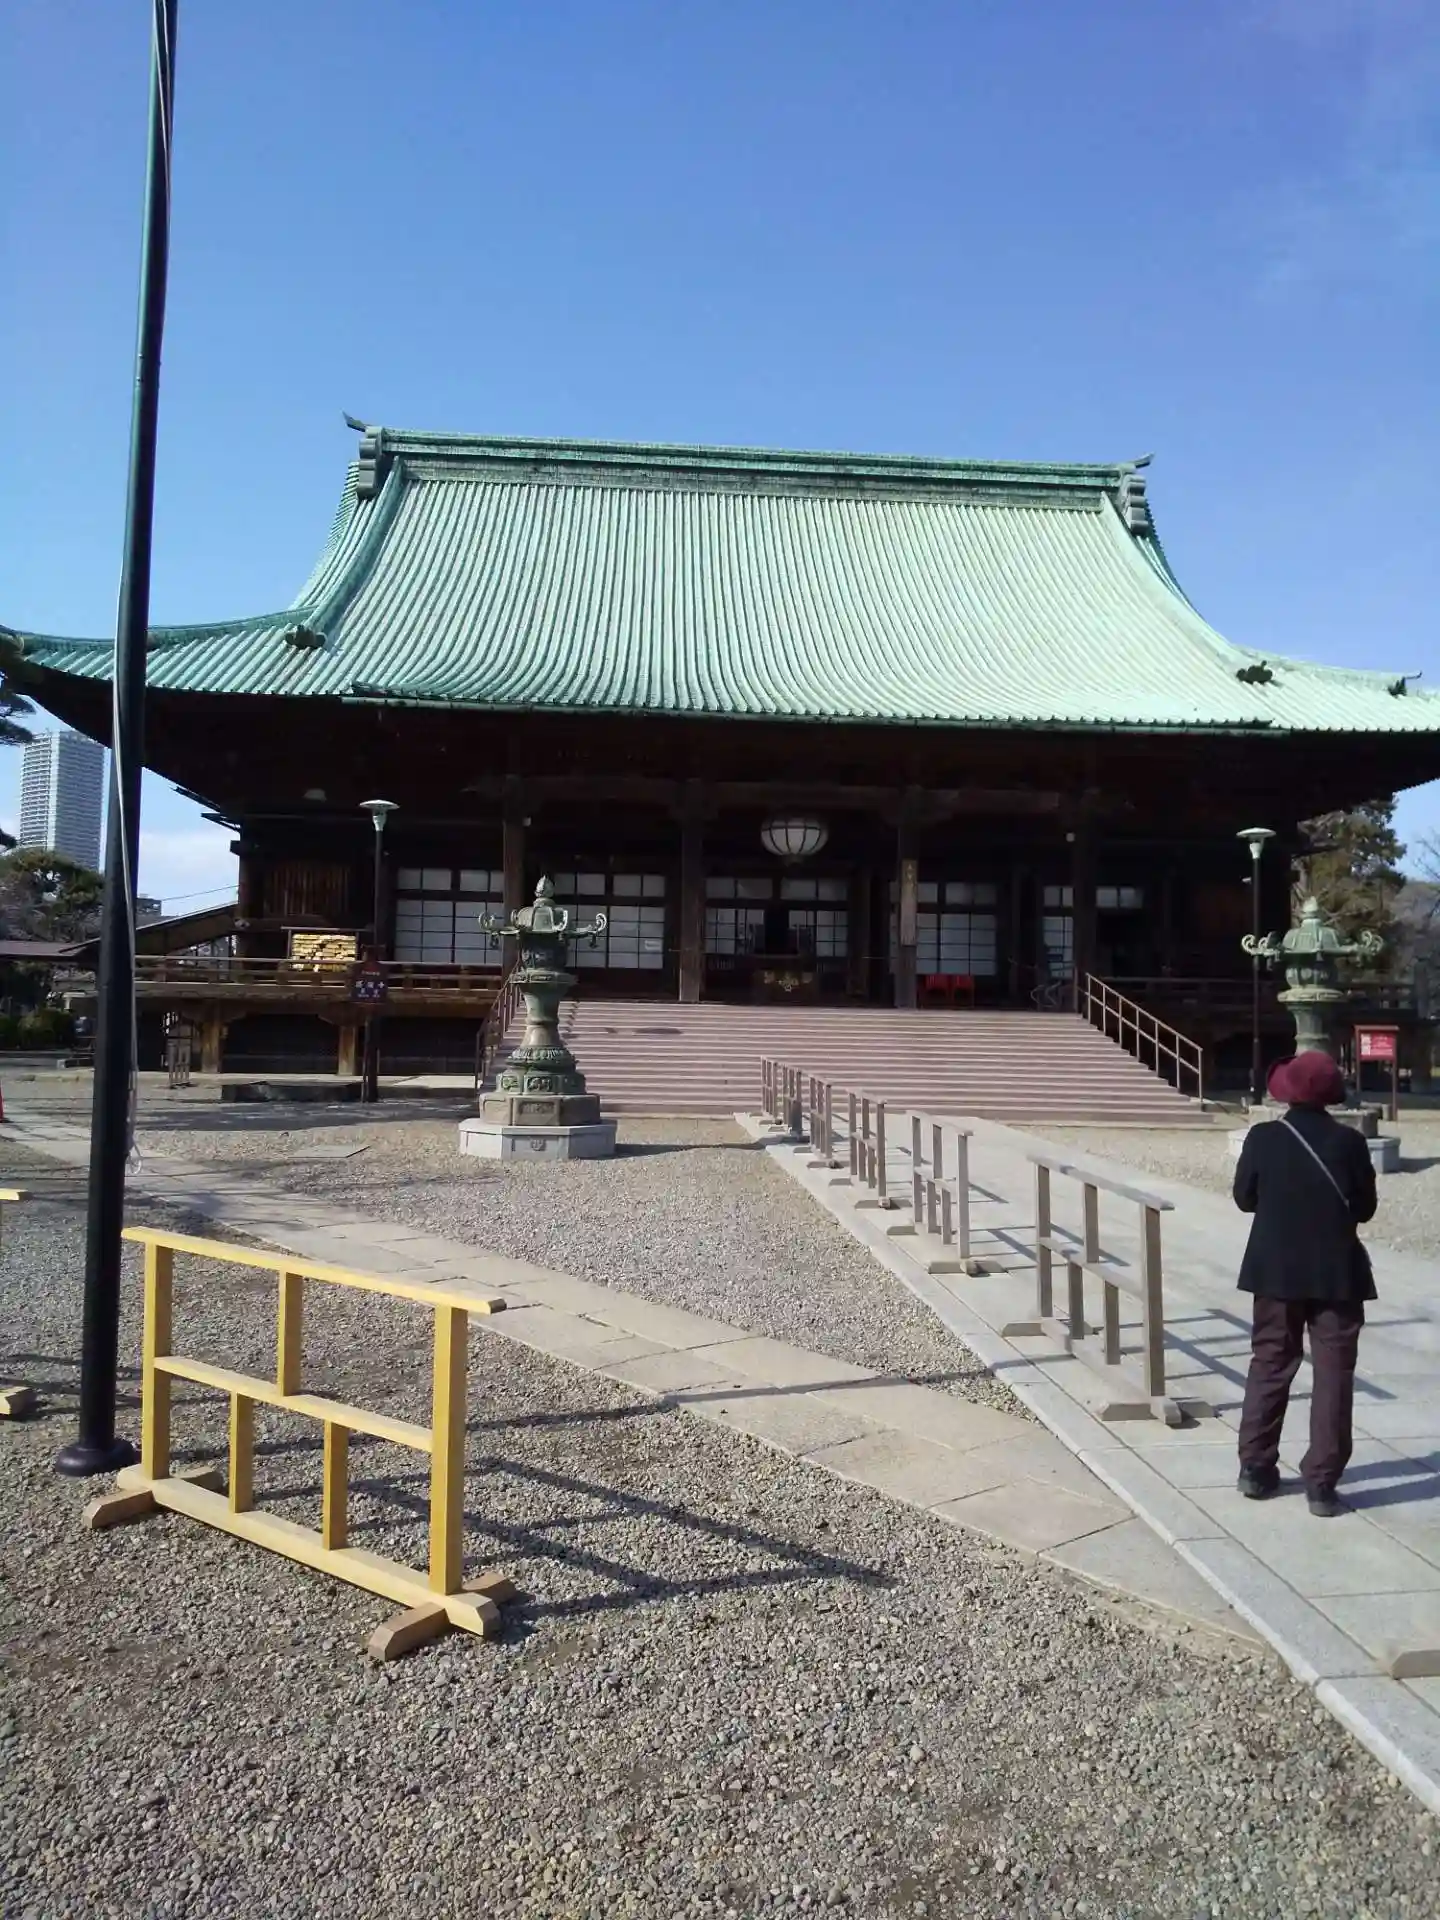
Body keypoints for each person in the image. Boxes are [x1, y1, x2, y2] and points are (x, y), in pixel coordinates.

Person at [1233, 1050, 1377, 1518]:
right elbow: (1365, 1208)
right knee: (1333, 1373)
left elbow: (1244, 1198)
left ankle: (1255, 1467)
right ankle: (1322, 1482)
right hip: (1337, 1272)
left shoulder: (1263, 1137)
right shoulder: (1350, 1142)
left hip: (1275, 1270)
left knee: (1271, 1362)